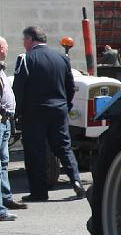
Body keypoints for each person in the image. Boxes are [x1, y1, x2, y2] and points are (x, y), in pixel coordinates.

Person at [11, 26, 84, 201]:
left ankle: (39, 192)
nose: (24, 43)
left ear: (30, 39)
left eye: (24, 40)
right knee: (64, 147)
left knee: (35, 151)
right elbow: (70, 86)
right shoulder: (61, 58)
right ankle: (76, 181)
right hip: (58, 110)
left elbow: (18, 89)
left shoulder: (25, 58)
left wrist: (17, 112)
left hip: (34, 112)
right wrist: (65, 105)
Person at [0, 36, 27, 220]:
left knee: (3, 163)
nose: (8, 49)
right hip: (1, 119)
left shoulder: (1, 68)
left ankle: (6, 198)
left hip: (5, 121)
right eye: (6, 46)